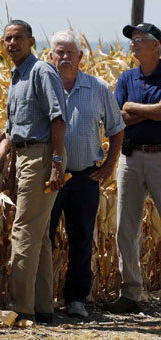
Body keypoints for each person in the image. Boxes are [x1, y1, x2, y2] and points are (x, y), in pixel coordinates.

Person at [0, 19, 67, 324]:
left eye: (18, 37)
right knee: (40, 235)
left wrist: (57, 163)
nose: (11, 43)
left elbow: (58, 119)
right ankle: (42, 308)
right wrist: (2, 158)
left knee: (23, 231)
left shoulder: (41, 71)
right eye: (6, 39)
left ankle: (20, 308)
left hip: (42, 156)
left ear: (31, 40)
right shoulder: (17, 77)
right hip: (25, 157)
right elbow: (11, 129)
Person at [47, 30, 125, 318]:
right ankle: (43, 298)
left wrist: (109, 166)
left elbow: (117, 129)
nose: (65, 57)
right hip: (51, 178)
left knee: (81, 240)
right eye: (59, 52)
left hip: (84, 177)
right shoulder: (45, 88)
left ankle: (76, 298)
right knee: (46, 239)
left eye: (70, 52)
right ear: (51, 56)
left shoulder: (98, 88)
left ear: (81, 56)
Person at [104, 23, 161, 314]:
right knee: (125, 227)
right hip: (130, 158)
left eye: (140, 40)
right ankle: (131, 293)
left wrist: (133, 107)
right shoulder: (127, 76)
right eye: (133, 40)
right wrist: (147, 112)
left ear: (156, 45)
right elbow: (118, 118)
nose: (134, 44)